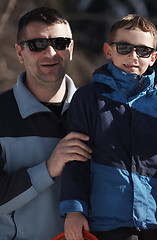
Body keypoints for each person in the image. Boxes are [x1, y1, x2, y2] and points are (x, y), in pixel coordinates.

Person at [59, 14, 157, 240]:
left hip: (155, 221)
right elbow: (76, 157)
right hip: (108, 221)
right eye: (124, 47)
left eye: (143, 51)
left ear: (153, 57)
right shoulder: (89, 98)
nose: (133, 56)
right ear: (109, 50)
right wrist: (74, 209)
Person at [0, 7, 92, 240]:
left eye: (60, 43)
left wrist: (153, 130)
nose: (50, 53)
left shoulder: (97, 112)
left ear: (70, 49)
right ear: (20, 53)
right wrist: (48, 169)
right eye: (37, 44)